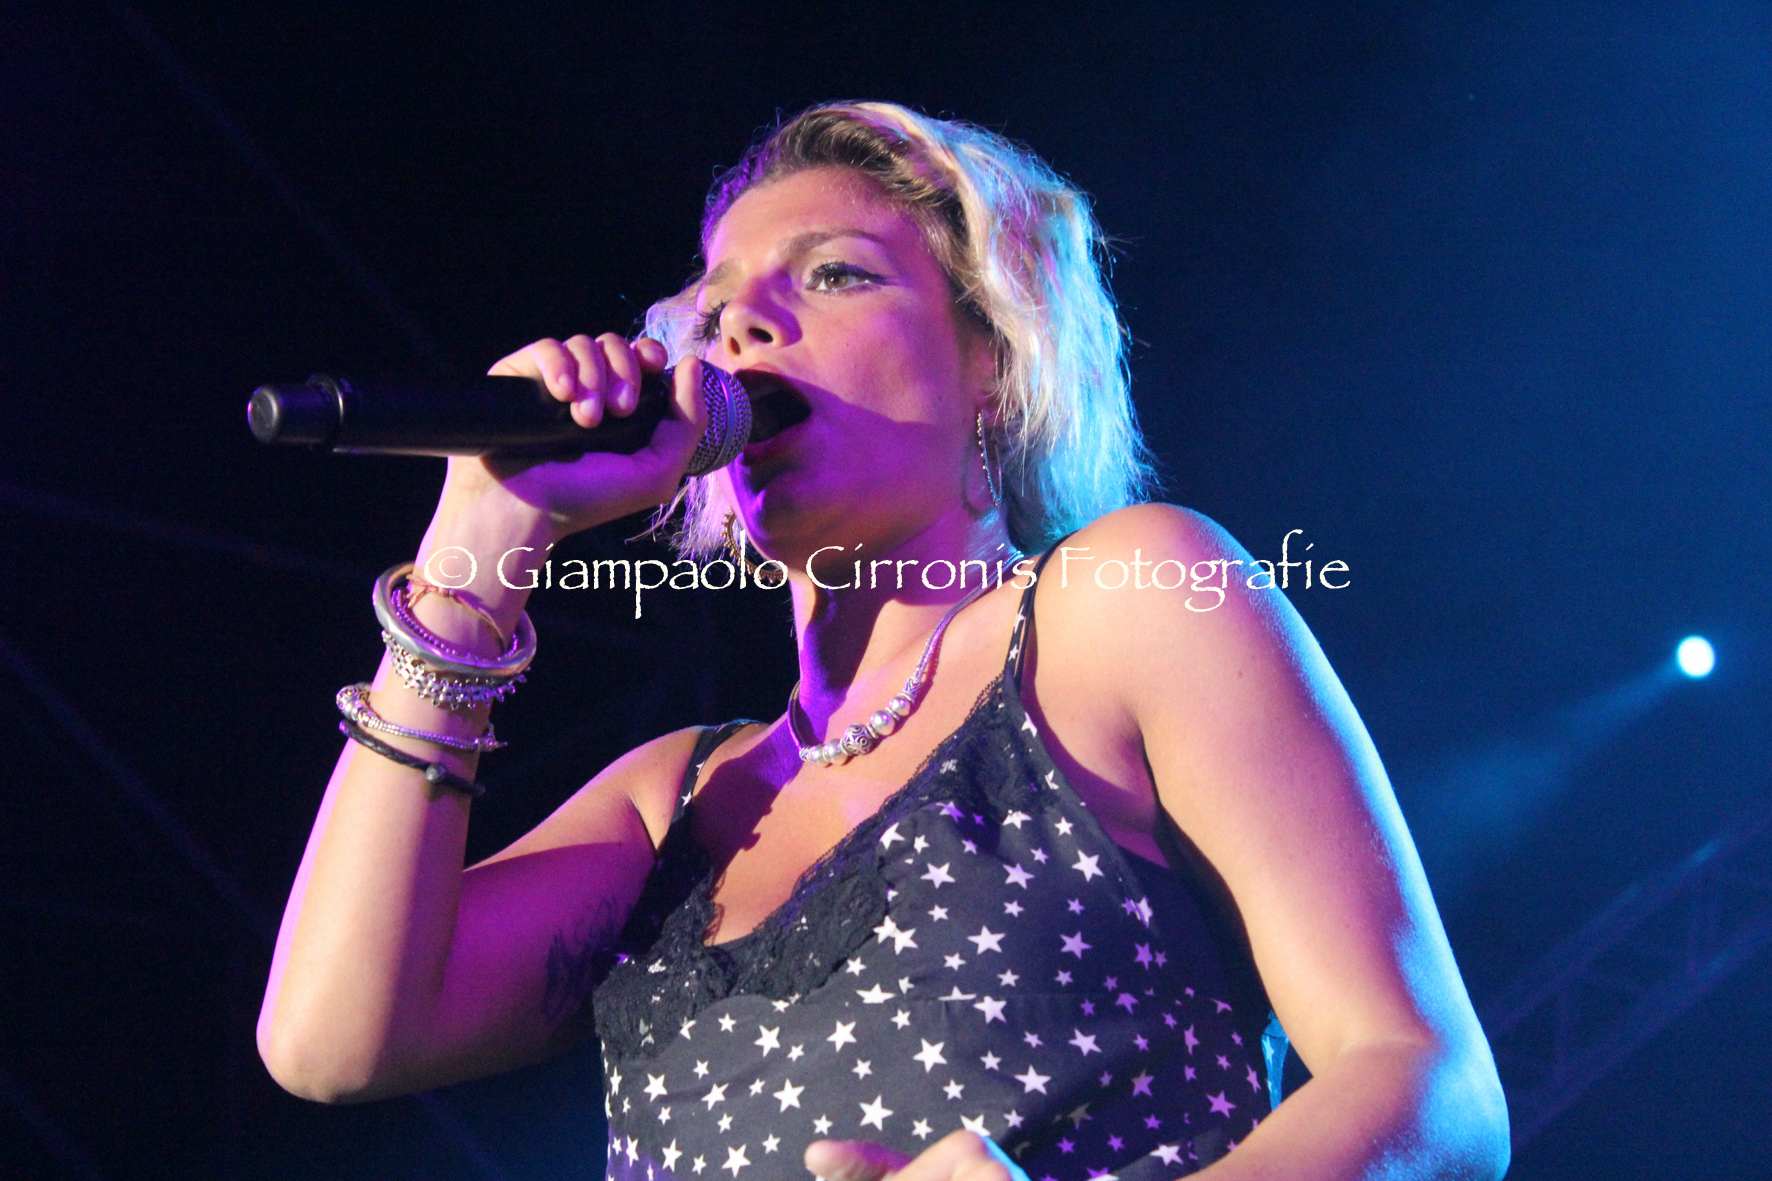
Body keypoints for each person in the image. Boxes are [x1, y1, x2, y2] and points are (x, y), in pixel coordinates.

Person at [258, 102, 1509, 1181]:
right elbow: (331, 1038)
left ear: (992, 359)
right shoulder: (674, 795)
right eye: (714, 308)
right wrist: (482, 532)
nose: (740, 327)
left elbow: (1422, 1081)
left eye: (834, 275)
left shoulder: (1121, 601)